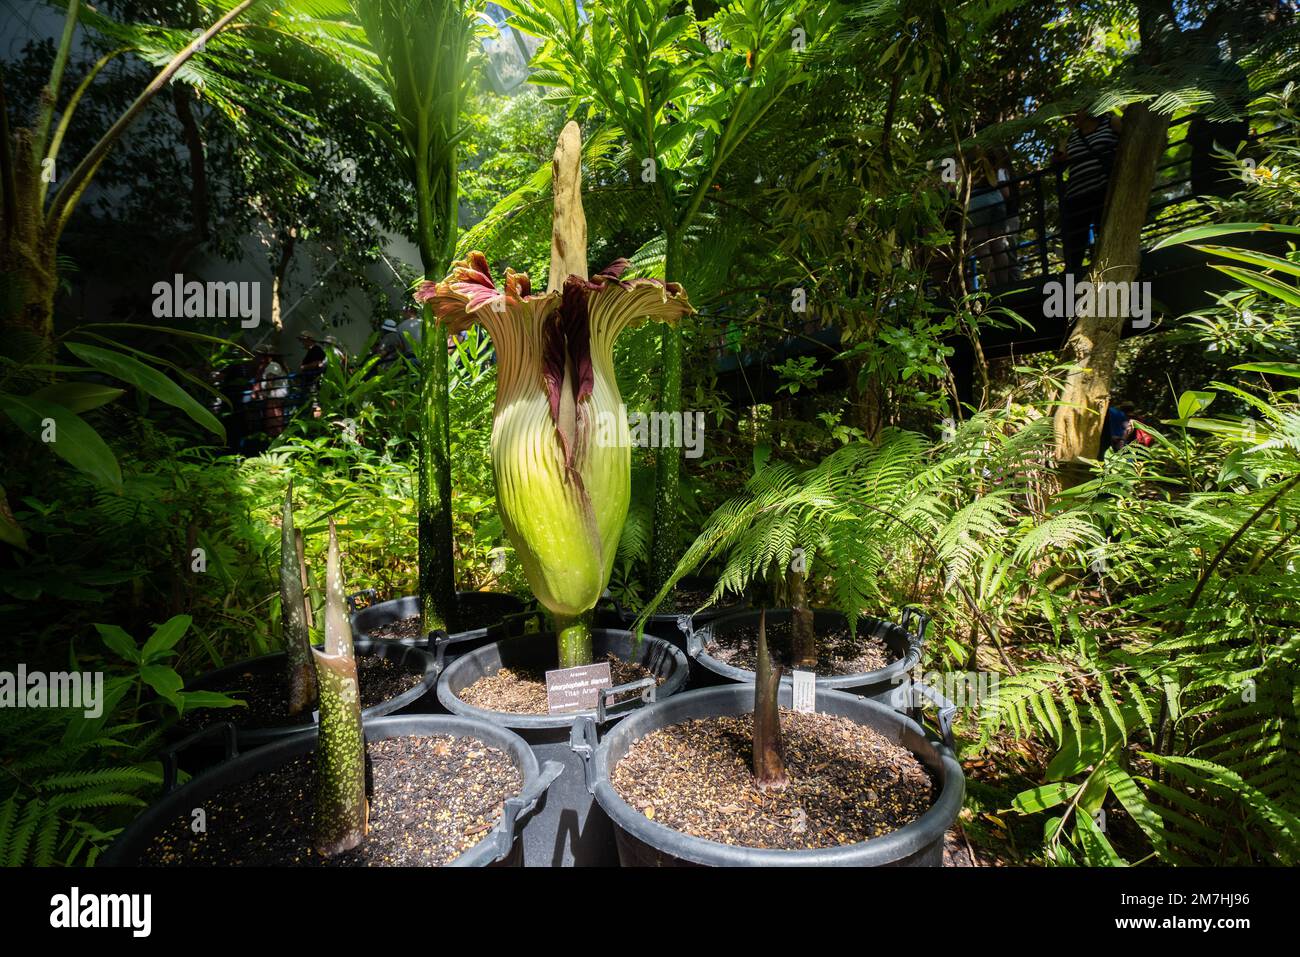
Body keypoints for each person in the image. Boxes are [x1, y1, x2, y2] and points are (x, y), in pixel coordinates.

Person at [1055, 110, 1122, 276]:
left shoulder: (1111, 122)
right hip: (1076, 193)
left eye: (1077, 112)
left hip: (1103, 189)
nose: (1073, 116)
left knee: (1105, 231)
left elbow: (1129, 138)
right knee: (1075, 240)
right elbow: (1058, 163)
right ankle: (1072, 275)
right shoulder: (1072, 136)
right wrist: (1059, 153)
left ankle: (1109, 267)